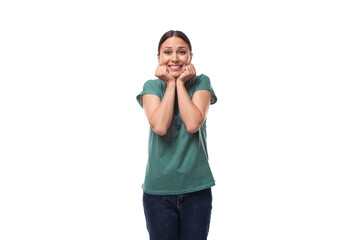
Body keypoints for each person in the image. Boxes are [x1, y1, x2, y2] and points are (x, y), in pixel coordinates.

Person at [136, 30, 217, 240]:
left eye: (182, 52)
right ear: (159, 58)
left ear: (190, 56)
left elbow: (193, 124)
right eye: (168, 52)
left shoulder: (201, 83)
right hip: (158, 192)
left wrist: (180, 83)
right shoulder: (151, 87)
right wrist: (171, 84)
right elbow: (160, 127)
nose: (175, 58)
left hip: (196, 190)